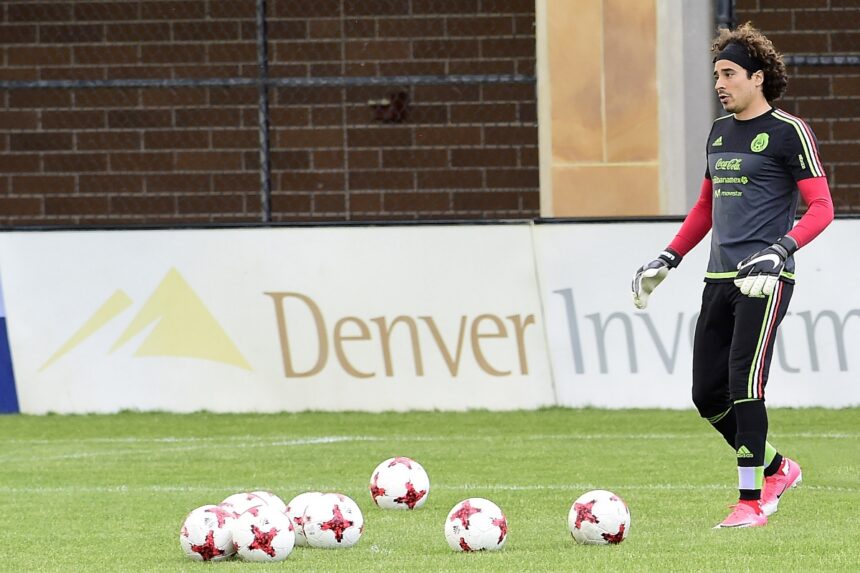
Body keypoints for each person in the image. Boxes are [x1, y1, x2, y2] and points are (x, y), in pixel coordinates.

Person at [631, 23, 834, 528]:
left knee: (746, 382)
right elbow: (705, 208)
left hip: (764, 281)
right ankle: (777, 468)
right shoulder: (719, 133)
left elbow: (822, 208)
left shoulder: (790, 132)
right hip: (718, 279)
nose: (720, 83)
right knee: (707, 395)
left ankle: (751, 502)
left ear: (757, 78)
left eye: (729, 73)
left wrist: (780, 250)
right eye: (716, 75)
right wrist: (669, 257)